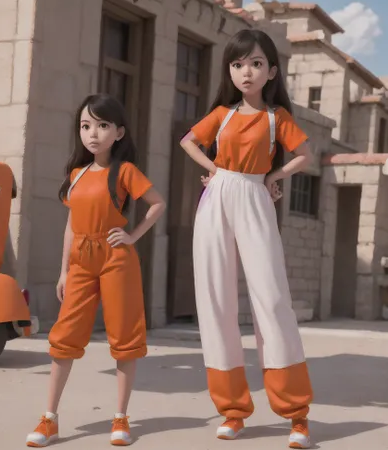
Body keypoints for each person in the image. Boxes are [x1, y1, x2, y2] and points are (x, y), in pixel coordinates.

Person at [180, 29, 314, 449]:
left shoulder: (278, 118)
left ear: (272, 71)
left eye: (256, 63)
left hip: (256, 196)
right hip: (217, 197)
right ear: (230, 71)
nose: (246, 72)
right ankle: (233, 411)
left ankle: (296, 413)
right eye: (238, 64)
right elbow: (188, 141)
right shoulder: (221, 113)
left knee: (272, 299)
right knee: (215, 300)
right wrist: (216, 171)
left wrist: (274, 175)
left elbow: (306, 155)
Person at [26, 93, 166, 447]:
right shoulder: (76, 174)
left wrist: (132, 235)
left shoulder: (125, 171)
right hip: (81, 261)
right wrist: (63, 271)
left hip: (116, 258)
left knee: (124, 339)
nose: (93, 134)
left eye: (102, 126)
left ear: (118, 133)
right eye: (86, 126)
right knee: (64, 338)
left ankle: (120, 419)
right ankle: (50, 418)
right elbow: (71, 226)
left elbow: (157, 203)